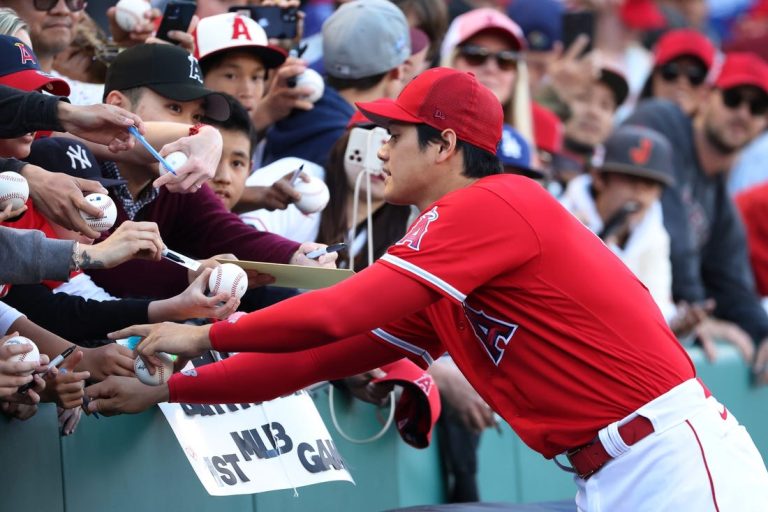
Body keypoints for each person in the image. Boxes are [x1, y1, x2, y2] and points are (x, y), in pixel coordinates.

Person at [87, 68, 768, 511]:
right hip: (616, 472)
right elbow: (321, 357)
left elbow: (338, 313)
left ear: (443, 146)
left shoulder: (494, 203)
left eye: (394, 134)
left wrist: (206, 334)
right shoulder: (451, 254)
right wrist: (172, 388)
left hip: (673, 461)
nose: (379, 148)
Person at [626, 52, 768, 371]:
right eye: (733, 99)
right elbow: (673, 235)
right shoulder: (663, 120)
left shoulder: (719, 198)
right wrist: (696, 314)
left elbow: (733, 286)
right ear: (705, 96)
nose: (743, 114)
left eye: (757, 107)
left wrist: (763, 331)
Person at [638, 29, 716, 116]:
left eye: (695, 76)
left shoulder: (715, 128)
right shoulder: (633, 125)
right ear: (654, 77)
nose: (682, 82)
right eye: (671, 72)